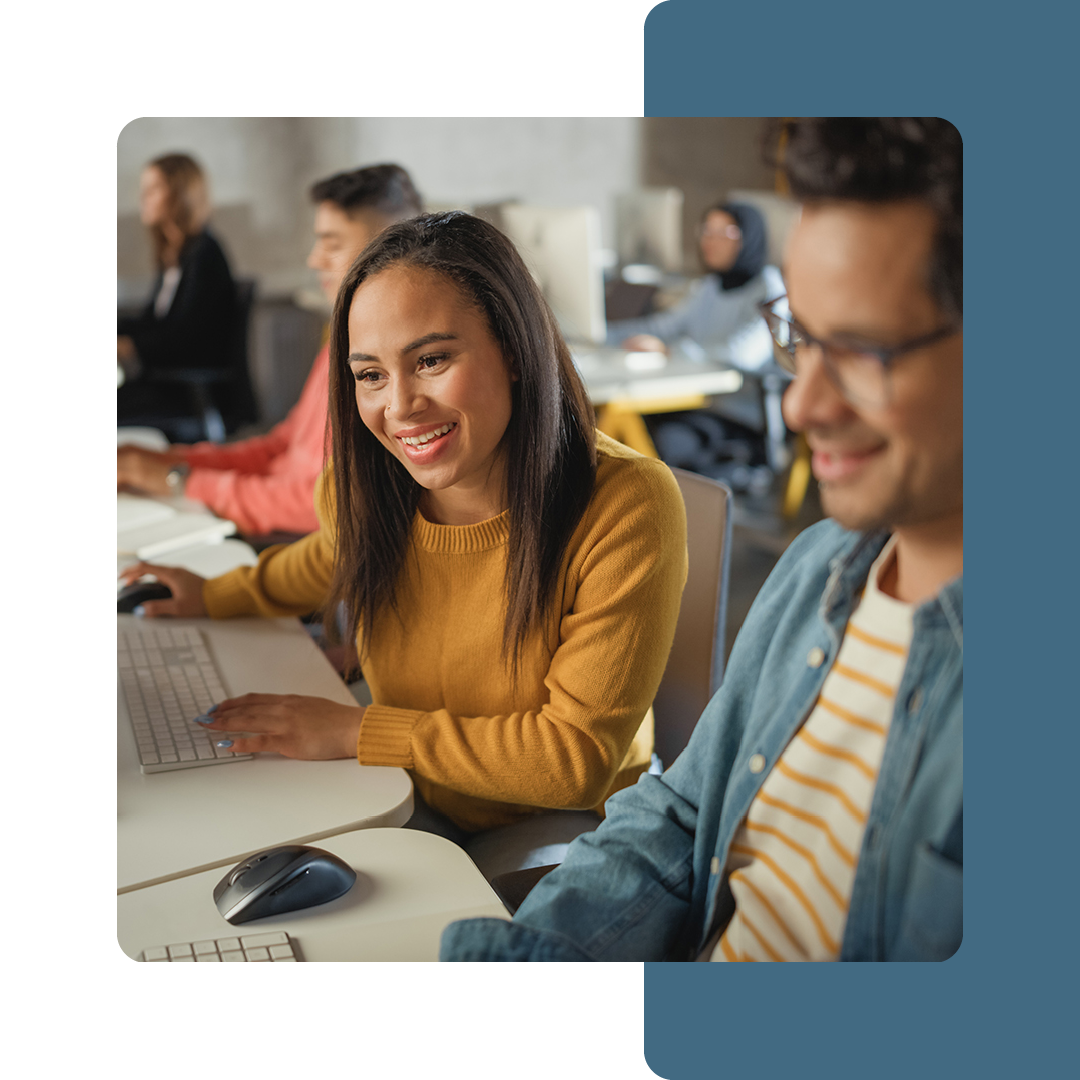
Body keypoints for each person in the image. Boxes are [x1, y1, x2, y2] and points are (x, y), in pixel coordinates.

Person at [440, 116, 963, 960]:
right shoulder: (820, 568)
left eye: (863, 350)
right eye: (806, 336)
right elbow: (683, 813)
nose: (801, 405)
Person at [120, 211, 689, 879]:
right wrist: (213, 594)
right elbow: (328, 557)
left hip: (557, 822)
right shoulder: (371, 481)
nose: (400, 407)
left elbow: (571, 759)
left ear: (513, 349)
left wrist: (355, 731)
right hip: (406, 782)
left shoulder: (625, 504)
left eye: (432, 360)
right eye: (370, 375)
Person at [117, 163, 424, 538]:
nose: (314, 259)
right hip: (273, 517)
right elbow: (283, 447)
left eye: (332, 243)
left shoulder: (384, 372)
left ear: (393, 248)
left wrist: (179, 479)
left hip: (295, 543)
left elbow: (315, 506)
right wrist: (175, 462)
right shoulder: (340, 341)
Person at [116, 153, 238, 426]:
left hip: (190, 391)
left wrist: (129, 346)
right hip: (169, 382)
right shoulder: (175, 256)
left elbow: (187, 338)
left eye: (153, 189)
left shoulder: (205, 254)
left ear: (181, 194)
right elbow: (152, 322)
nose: (142, 198)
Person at [607, 200, 784, 369]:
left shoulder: (770, 289)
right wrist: (602, 334)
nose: (710, 241)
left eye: (724, 233)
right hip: (702, 389)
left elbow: (742, 354)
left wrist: (668, 351)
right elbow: (665, 326)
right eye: (707, 231)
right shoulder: (710, 285)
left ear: (750, 237)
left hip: (743, 396)